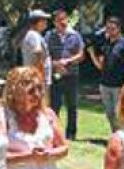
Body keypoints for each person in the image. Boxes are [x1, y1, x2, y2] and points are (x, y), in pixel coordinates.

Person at [89, 18, 124, 133]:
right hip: (105, 84)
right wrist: (91, 54)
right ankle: (116, 134)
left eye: (112, 28)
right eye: (108, 29)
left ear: (119, 29)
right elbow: (100, 66)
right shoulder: (105, 44)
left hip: (119, 85)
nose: (110, 31)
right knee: (109, 113)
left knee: (119, 113)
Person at [46, 8, 85, 141]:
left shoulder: (75, 35)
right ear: (54, 22)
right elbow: (44, 55)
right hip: (56, 75)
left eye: (64, 19)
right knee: (54, 105)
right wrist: (55, 64)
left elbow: (81, 55)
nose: (63, 22)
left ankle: (71, 134)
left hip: (71, 75)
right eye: (59, 20)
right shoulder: (49, 36)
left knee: (72, 105)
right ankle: (53, 133)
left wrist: (67, 61)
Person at [21, 10, 53, 87]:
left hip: (37, 77)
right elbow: (38, 53)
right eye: (43, 20)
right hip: (37, 78)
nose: (46, 22)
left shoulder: (35, 35)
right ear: (36, 22)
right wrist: (39, 75)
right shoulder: (33, 35)